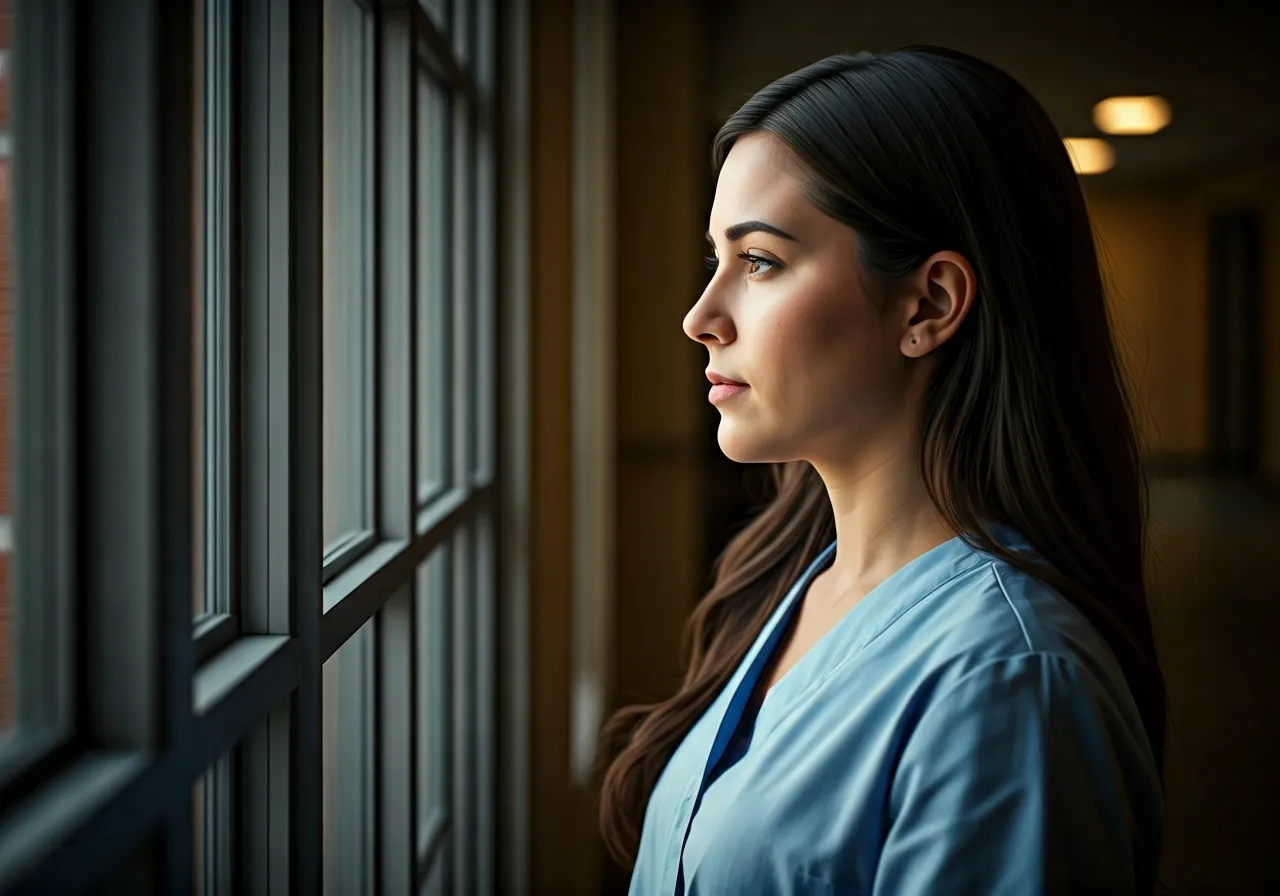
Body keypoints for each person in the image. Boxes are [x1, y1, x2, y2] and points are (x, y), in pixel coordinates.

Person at [598, 47, 1166, 895]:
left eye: (758, 261)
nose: (700, 317)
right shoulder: (804, 580)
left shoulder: (1008, 685)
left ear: (930, 304)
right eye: (714, 258)